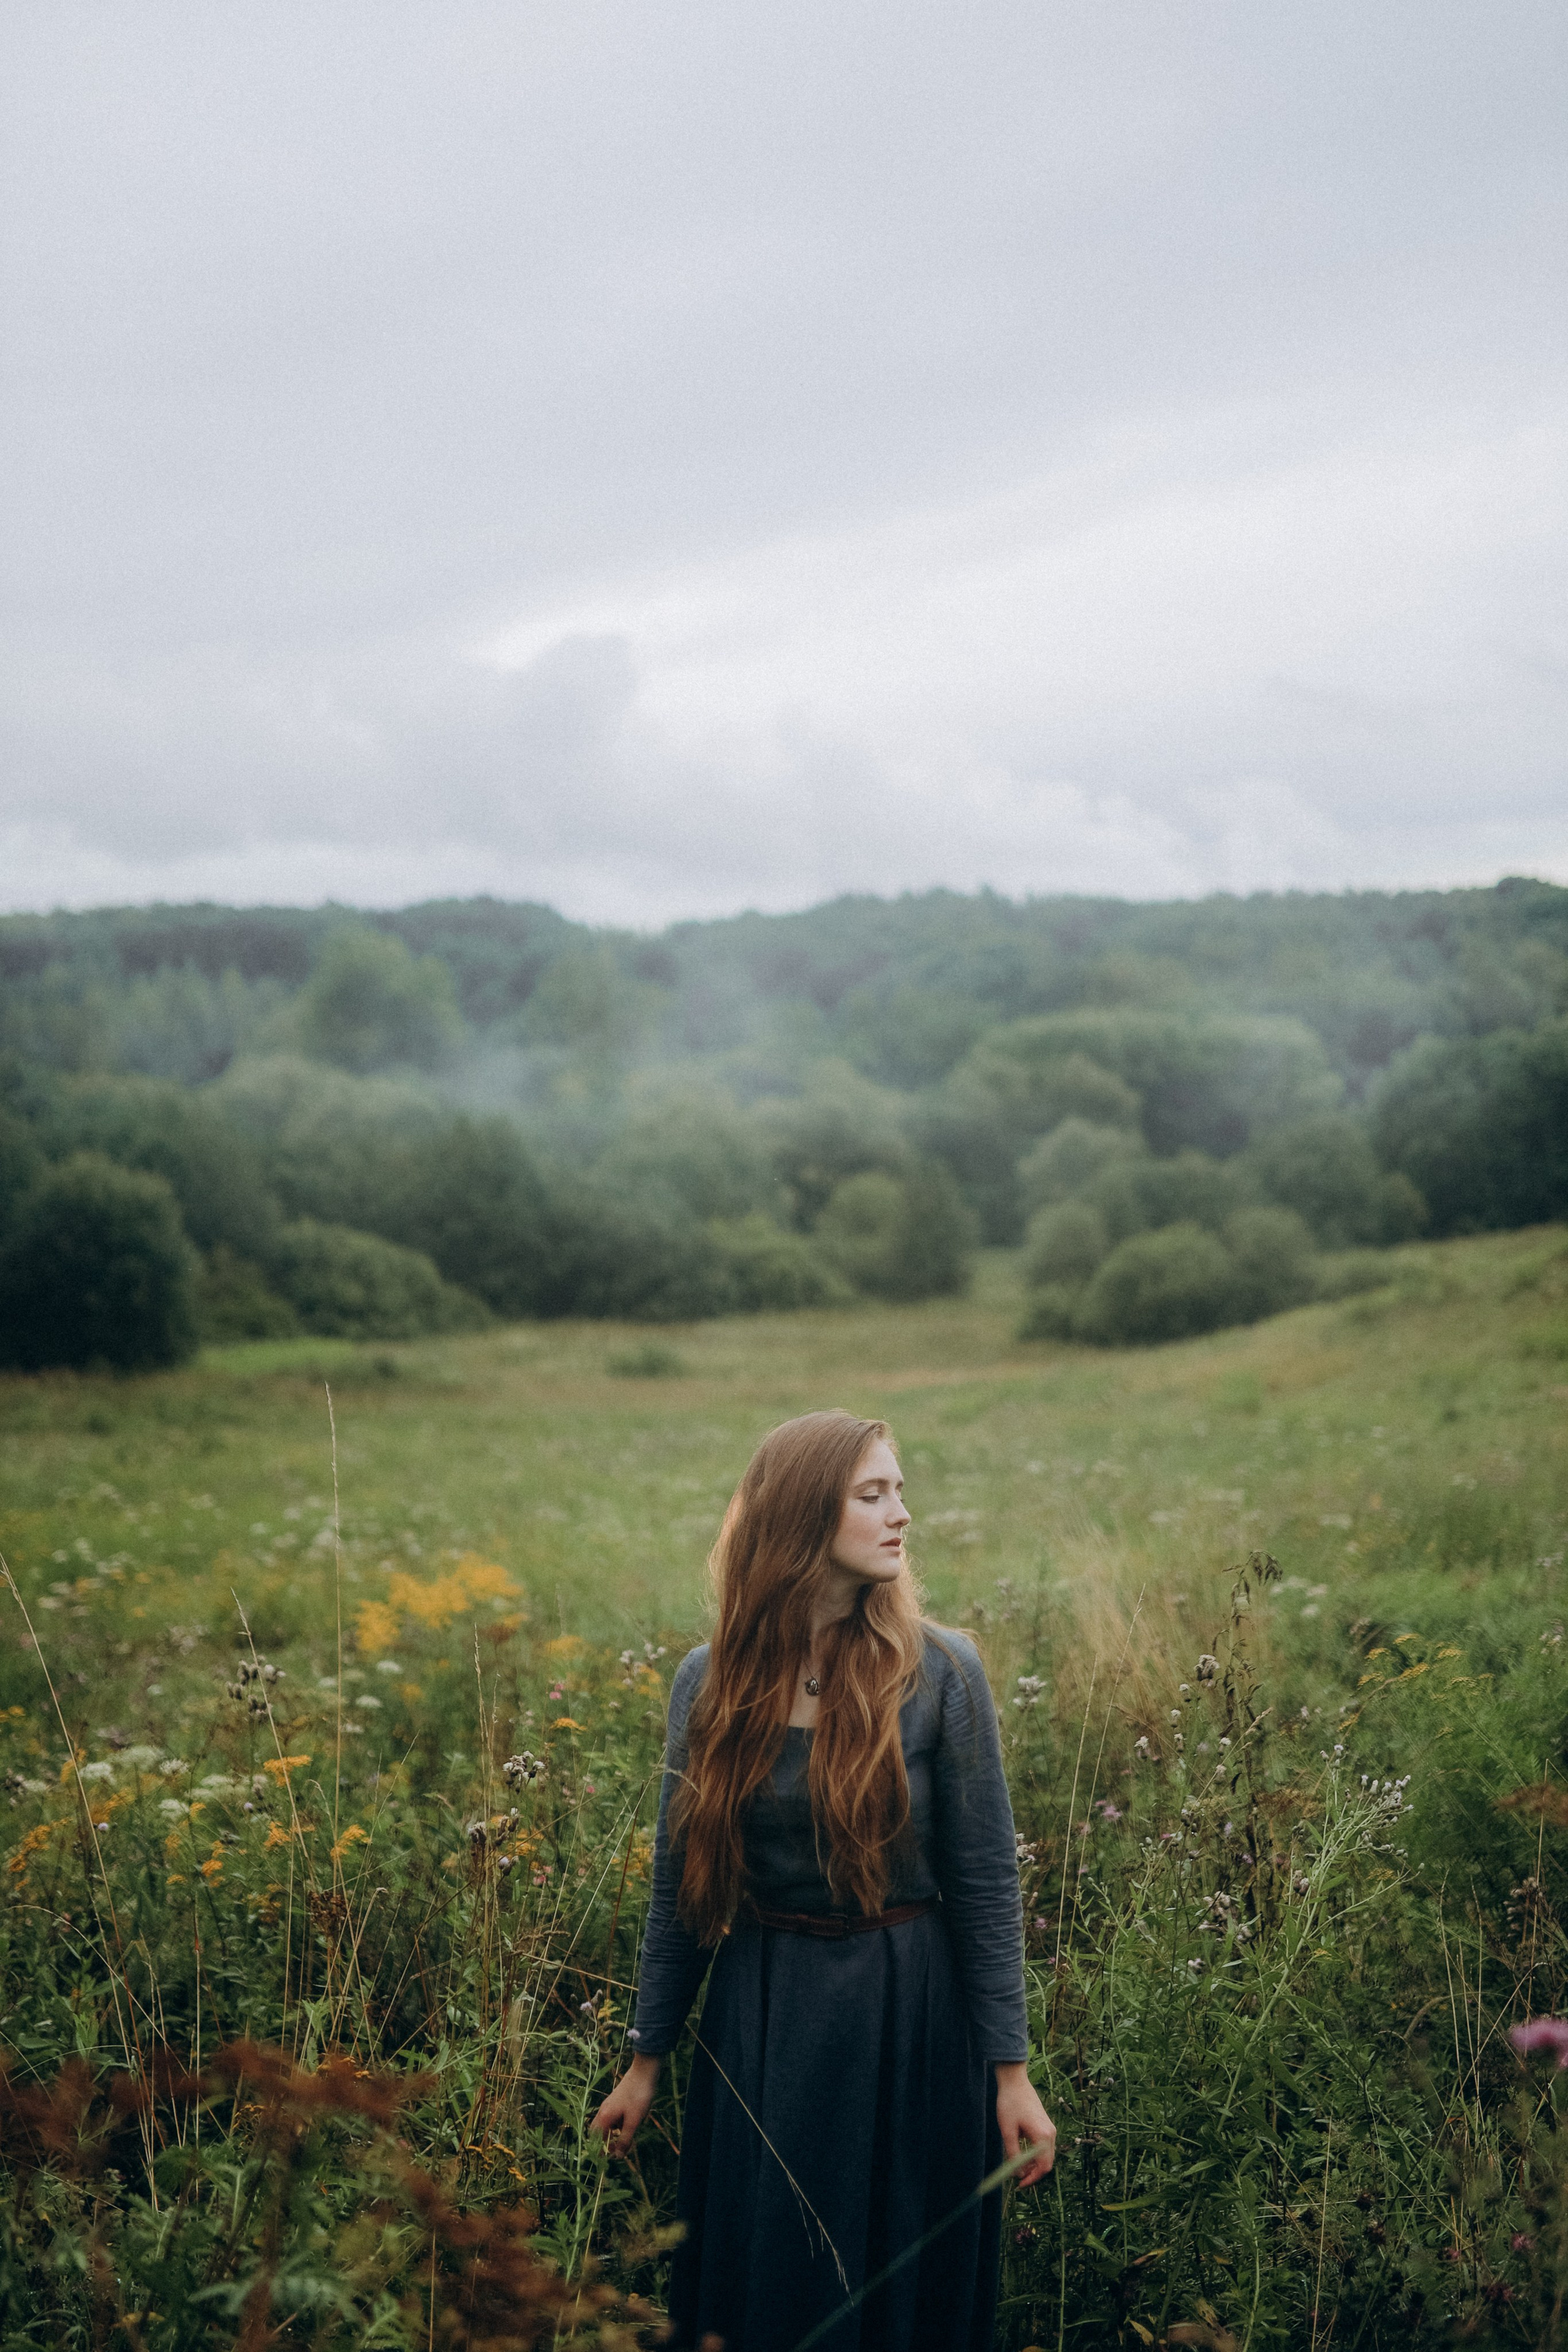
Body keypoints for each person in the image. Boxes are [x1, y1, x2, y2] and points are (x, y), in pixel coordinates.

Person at [590, 1409, 1055, 2351]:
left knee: (903, 2282)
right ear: (805, 1517)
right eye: (873, 1494)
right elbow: (680, 1888)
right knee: (771, 2284)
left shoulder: (943, 1672)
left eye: (901, 1491)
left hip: (912, 2016)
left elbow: (983, 1885)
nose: (902, 1514)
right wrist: (648, 2060)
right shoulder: (710, 1681)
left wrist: (1012, 2075)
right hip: (767, 2017)